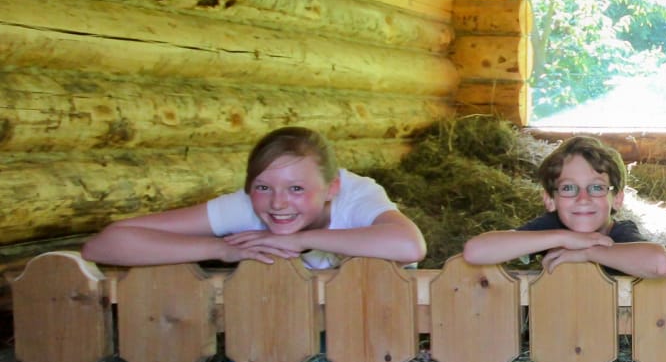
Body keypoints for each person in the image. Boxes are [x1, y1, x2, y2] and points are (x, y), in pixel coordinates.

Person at [81, 126, 426, 268]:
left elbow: (409, 246)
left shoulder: (356, 196)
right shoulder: (249, 206)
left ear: (331, 187)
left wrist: (300, 241)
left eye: (296, 189)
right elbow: (104, 245)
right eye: (263, 187)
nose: (277, 203)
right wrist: (221, 249)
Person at [463, 135, 666, 277]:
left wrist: (587, 253)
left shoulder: (620, 232)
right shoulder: (550, 226)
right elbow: (475, 251)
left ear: (617, 199)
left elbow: (660, 264)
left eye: (596, 188)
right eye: (568, 188)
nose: (583, 198)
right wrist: (563, 238)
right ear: (550, 200)